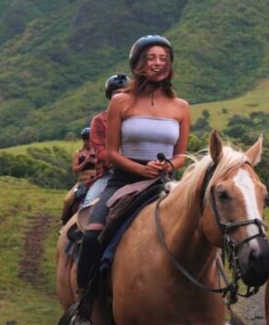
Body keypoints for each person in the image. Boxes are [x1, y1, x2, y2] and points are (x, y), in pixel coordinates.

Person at [75, 35, 191, 314]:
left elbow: (181, 155)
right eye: (151, 58)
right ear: (138, 63)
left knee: (201, 231)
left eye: (164, 59)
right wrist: (140, 168)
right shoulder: (121, 101)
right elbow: (112, 152)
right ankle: (85, 307)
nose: (158, 63)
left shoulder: (181, 107)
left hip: (164, 182)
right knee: (91, 236)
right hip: (125, 179)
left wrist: (169, 167)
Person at [82, 73, 131, 207]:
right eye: (117, 94)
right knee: (88, 203)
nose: (121, 97)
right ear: (110, 97)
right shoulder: (99, 121)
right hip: (111, 173)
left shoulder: (138, 118)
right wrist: (126, 163)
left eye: (125, 93)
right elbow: (102, 152)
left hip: (143, 169)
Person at [61, 128, 97, 224]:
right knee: (67, 200)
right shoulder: (79, 153)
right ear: (84, 140)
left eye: (90, 140)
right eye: (86, 140)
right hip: (83, 180)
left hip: (97, 178)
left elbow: (106, 164)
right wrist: (85, 162)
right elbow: (75, 169)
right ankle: (64, 220)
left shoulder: (98, 151)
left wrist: (94, 161)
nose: (88, 142)